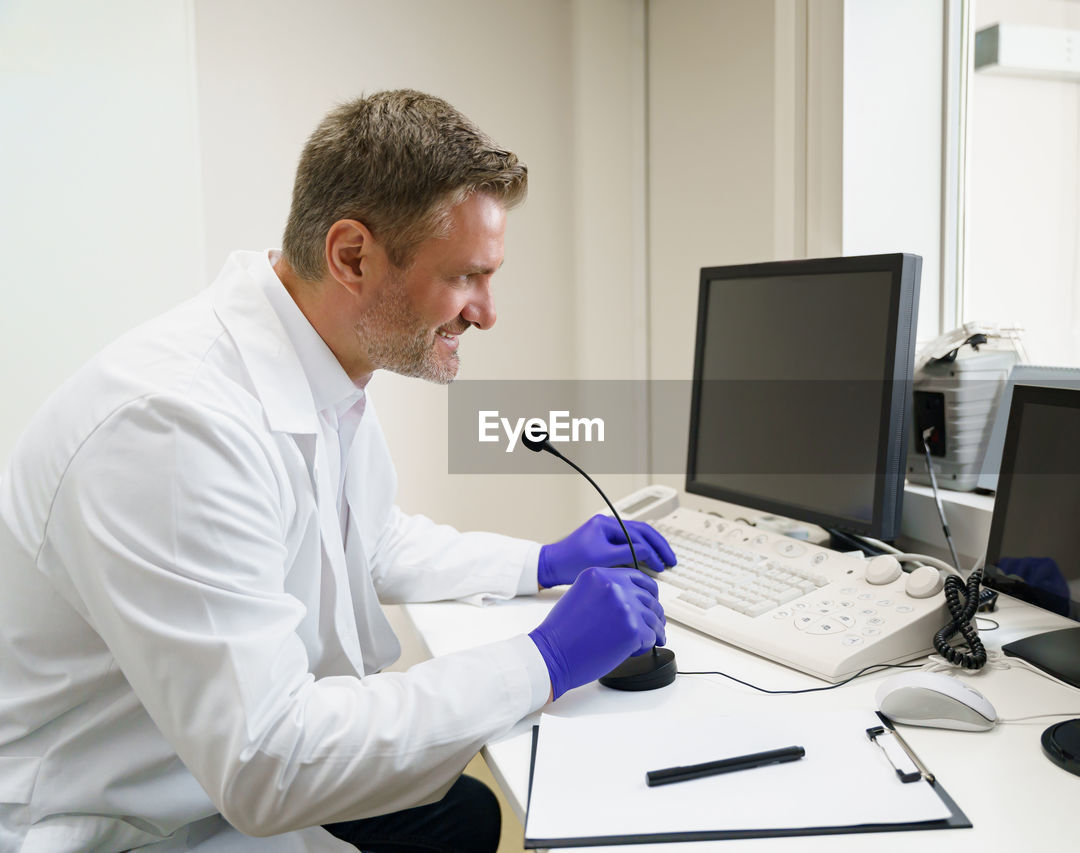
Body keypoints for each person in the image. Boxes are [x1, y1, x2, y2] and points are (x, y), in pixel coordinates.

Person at [0, 90, 675, 853]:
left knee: (466, 813)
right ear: (351, 255)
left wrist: (539, 561)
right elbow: (269, 762)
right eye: (465, 277)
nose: (486, 312)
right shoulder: (174, 427)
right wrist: (542, 659)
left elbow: (373, 538)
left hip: (196, 768)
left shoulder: (320, 362)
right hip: (121, 820)